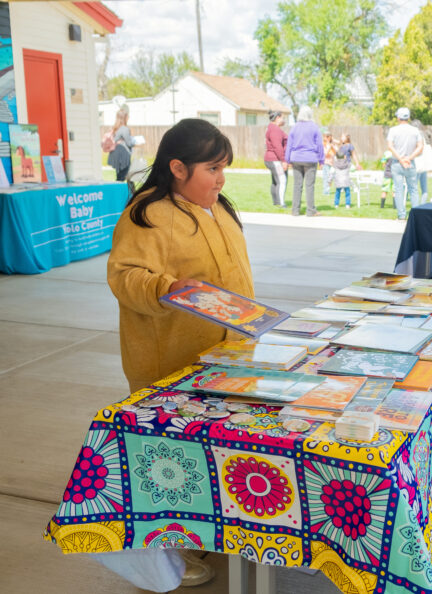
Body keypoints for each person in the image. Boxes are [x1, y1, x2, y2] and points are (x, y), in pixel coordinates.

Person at [105, 118, 254, 590]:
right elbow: (125, 275)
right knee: (171, 461)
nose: (221, 179)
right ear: (177, 167)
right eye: (213, 168)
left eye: (224, 168)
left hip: (227, 356)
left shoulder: (218, 208)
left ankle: (208, 531)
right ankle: (167, 551)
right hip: (170, 361)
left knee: (216, 454)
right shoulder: (147, 213)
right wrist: (165, 287)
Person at [286, 105, 324, 216]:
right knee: (309, 185)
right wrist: (321, 160)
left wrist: (287, 159)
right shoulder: (314, 127)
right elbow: (319, 146)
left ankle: (295, 210)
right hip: (310, 159)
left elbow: (289, 145)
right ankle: (311, 210)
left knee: (297, 185)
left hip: (296, 159)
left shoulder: (294, 127)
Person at [386, 107, 423, 220]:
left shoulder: (393, 130)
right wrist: (409, 158)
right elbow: (420, 147)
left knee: (398, 189)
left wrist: (401, 159)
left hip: (397, 163)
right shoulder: (415, 130)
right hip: (410, 163)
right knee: (413, 189)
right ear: (408, 117)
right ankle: (415, 215)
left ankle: (401, 215)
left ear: (398, 117)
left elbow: (390, 146)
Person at [264, 110, 288, 208]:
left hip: (271, 159)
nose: (284, 120)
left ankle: (276, 202)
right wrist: (283, 160)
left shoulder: (271, 128)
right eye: (282, 117)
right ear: (277, 118)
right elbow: (277, 146)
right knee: (282, 180)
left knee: (275, 181)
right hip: (275, 159)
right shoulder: (275, 130)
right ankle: (281, 203)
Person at [332, 133, 361, 209]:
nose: (341, 138)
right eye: (341, 136)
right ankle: (344, 187)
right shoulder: (341, 146)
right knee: (342, 179)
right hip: (340, 164)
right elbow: (338, 151)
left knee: (345, 178)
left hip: (347, 164)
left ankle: (352, 186)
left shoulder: (350, 146)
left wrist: (357, 164)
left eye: (343, 137)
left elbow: (354, 155)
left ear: (347, 138)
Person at [107, 108, 136, 181]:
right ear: (125, 117)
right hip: (123, 155)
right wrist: (135, 141)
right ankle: (119, 191)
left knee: (120, 176)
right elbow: (129, 143)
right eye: (128, 116)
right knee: (122, 177)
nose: (129, 117)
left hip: (115, 154)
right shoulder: (124, 129)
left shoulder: (114, 128)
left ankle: (120, 191)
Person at [413, 119, 432, 202]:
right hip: (425, 164)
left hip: (417, 163)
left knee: (414, 187)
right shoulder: (426, 134)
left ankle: (415, 206)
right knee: (424, 188)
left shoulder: (417, 135)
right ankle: (422, 205)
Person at [322, 130, 338, 195]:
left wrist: (332, 143)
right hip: (326, 163)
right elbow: (325, 154)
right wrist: (329, 147)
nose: (326, 138)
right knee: (326, 178)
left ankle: (340, 188)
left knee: (333, 177)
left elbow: (337, 151)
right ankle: (326, 191)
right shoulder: (324, 144)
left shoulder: (332, 144)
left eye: (328, 137)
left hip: (333, 163)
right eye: (326, 136)